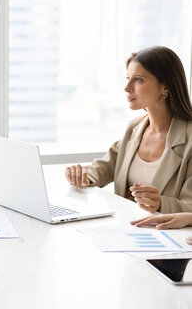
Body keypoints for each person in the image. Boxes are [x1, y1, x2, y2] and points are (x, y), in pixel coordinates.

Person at [65, 46, 192, 214]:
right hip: (126, 227)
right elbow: (106, 167)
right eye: (128, 78)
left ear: (165, 87)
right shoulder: (135, 128)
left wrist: (161, 204)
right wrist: (81, 175)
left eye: (138, 79)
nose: (127, 87)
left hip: (165, 234)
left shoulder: (188, 138)